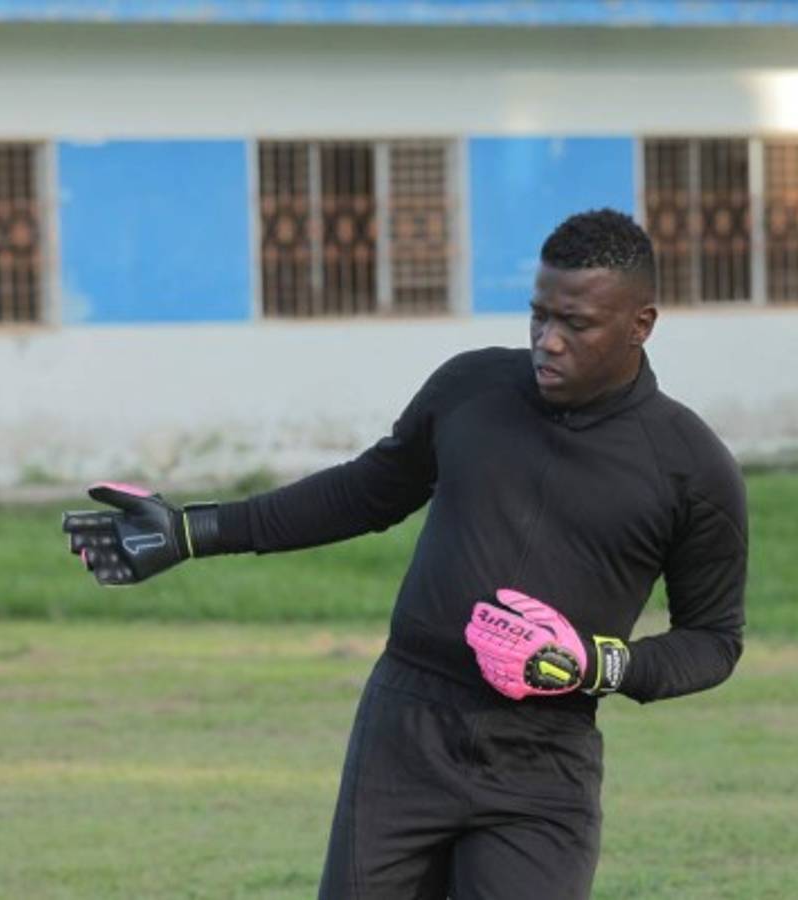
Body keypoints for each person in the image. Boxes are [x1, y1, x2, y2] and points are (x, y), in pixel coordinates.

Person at [63, 208, 747, 899]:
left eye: (576, 323)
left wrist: (600, 662)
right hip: (406, 730)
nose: (548, 341)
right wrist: (192, 532)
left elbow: (713, 639)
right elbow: (365, 492)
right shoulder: (470, 389)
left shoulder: (689, 468)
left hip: (544, 757)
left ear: (641, 324)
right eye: (538, 316)